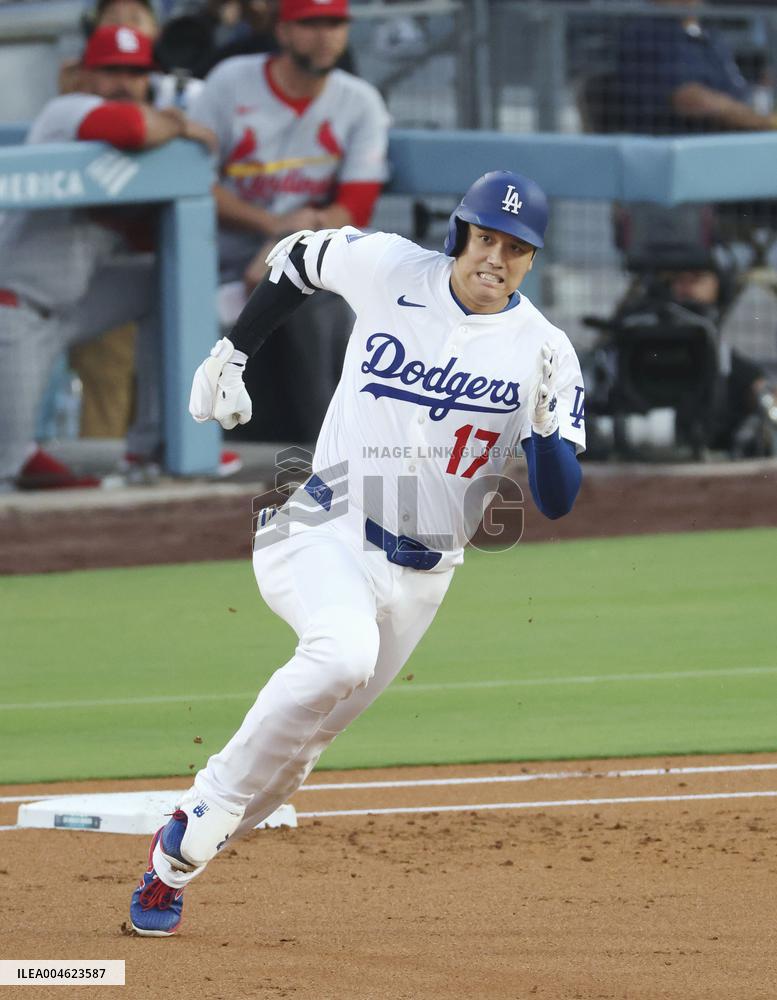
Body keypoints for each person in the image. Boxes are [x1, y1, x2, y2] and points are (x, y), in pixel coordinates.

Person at [128, 168, 587, 935]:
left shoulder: (545, 352)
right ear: (457, 236)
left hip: (425, 575)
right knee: (339, 654)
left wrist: (543, 428)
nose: (494, 259)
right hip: (321, 526)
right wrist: (232, 352)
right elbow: (297, 258)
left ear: (531, 260)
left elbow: (558, 498)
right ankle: (198, 810)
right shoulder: (391, 270)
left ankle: (168, 870)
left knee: (296, 759)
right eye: (484, 238)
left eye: (514, 248)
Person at [0, 25, 216, 491]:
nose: (124, 83)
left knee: (169, 285)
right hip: (14, 308)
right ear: (82, 77)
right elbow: (131, 127)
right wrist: (178, 122)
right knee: (8, 470)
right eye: (111, 70)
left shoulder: (154, 144)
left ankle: (157, 440)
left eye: (136, 73)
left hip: (71, 305)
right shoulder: (67, 111)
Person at [188, 0, 389, 442]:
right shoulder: (230, 82)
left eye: (335, 23)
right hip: (221, 250)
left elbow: (355, 205)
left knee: (349, 285)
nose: (325, 36)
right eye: (310, 24)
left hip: (305, 244)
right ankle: (194, 445)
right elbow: (196, 182)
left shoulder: (359, 101)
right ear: (282, 31)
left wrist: (288, 243)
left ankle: (339, 442)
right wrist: (273, 228)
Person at [616, 0, 777, 135]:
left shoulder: (710, 34)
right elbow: (691, 99)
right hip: (688, 144)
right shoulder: (648, 33)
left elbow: (737, 89)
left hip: (738, 135)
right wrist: (760, 121)